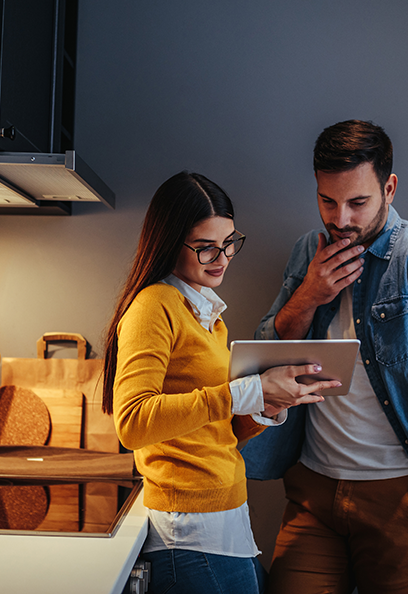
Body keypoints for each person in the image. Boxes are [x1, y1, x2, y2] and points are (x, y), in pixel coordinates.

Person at [241, 120, 408, 594]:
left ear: (389, 188)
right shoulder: (309, 249)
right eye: (327, 200)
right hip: (312, 492)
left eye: (357, 202)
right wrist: (307, 295)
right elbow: (269, 353)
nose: (340, 218)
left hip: (401, 497)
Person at [102, 171, 340, 594]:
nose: (223, 257)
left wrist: (266, 406)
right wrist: (246, 392)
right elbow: (133, 422)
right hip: (189, 530)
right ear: (168, 242)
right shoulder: (154, 306)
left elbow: (215, 430)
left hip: (222, 519)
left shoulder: (206, 316)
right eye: (206, 247)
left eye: (229, 243)